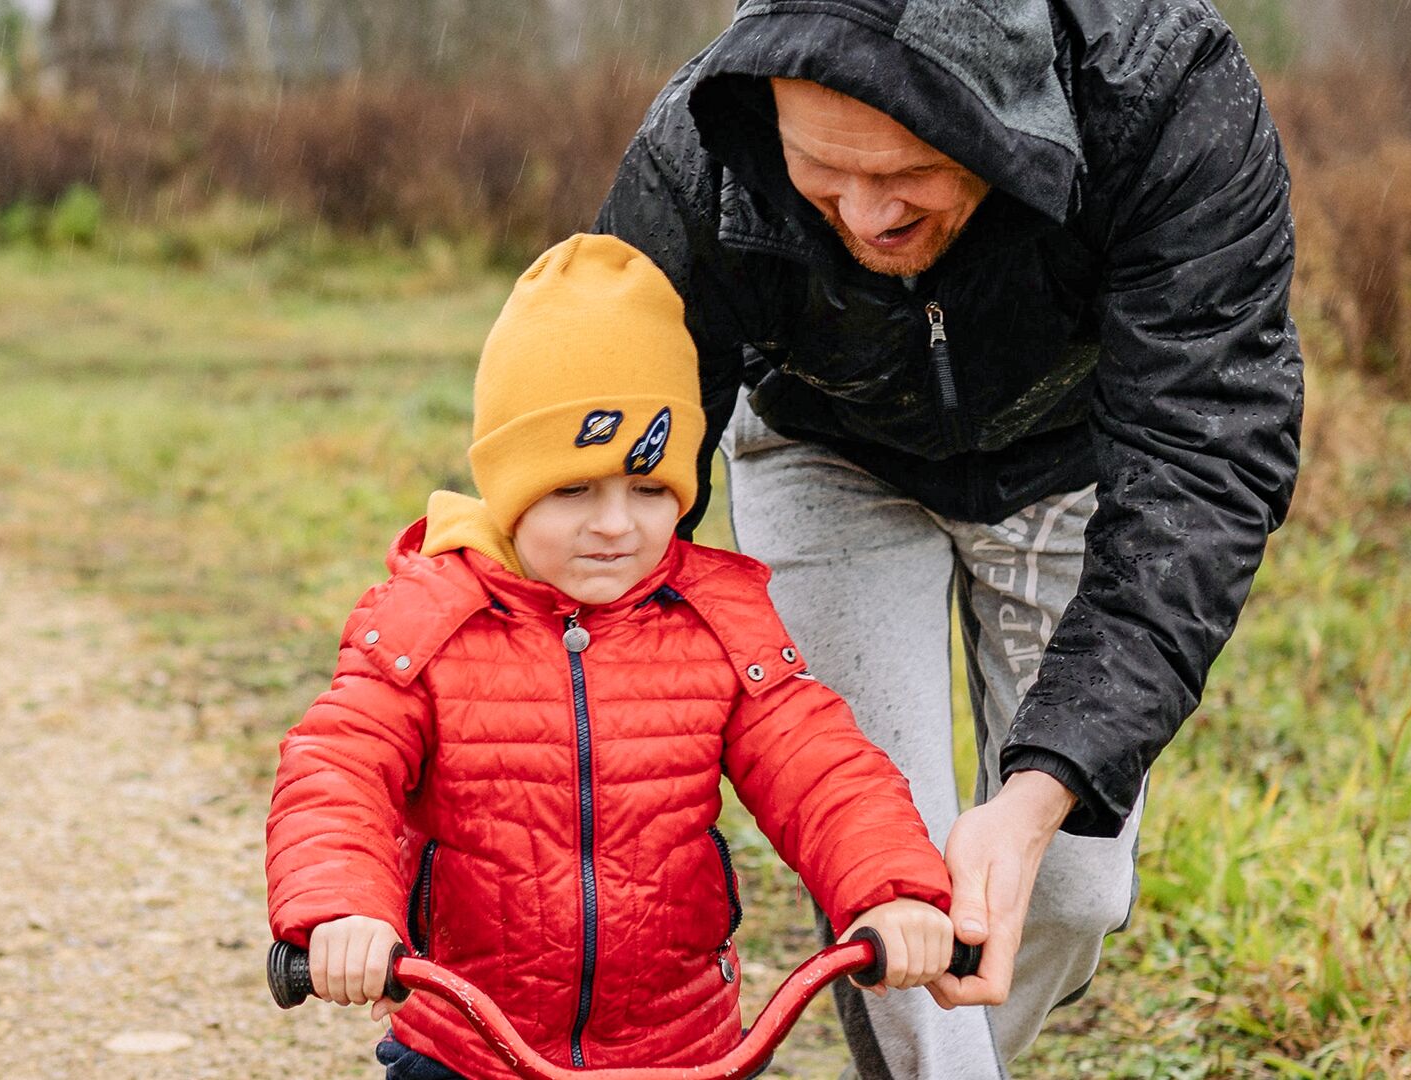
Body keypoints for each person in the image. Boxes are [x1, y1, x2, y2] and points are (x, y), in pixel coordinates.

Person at [594, 1, 1304, 1075]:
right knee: (891, 867)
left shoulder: (1165, 96)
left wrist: (1035, 798)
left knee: (1067, 888)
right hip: (826, 447)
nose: (870, 216)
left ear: (1004, 117)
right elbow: (620, 469)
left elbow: (1205, 464)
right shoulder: (703, 149)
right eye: (824, 173)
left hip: (1067, 458)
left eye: (910, 173)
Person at [264, 234, 957, 1079]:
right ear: (510, 486)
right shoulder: (432, 620)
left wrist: (890, 889)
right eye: (573, 489)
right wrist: (343, 909)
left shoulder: (717, 621)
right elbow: (338, 767)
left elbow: (823, 768)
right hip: (470, 1042)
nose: (617, 525)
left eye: (648, 487)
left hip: (680, 1046)